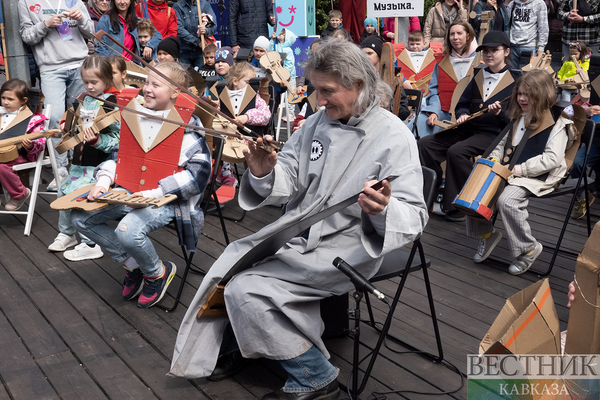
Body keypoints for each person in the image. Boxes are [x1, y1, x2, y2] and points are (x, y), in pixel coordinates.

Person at [169, 38, 428, 400]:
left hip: (351, 245)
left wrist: (383, 209)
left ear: (358, 85)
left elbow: (415, 215)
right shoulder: (317, 123)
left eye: (328, 91)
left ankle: (315, 375)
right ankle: (244, 344)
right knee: (232, 264)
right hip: (299, 232)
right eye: (316, 90)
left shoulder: (394, 136)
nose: (319, 100)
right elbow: (289, 173)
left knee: (246, 288)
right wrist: (263, 172)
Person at [71, 62, 212, 308]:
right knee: (80, 218)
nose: (146, 89)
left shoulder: (188, 127)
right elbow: (118, 156)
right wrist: (103, 182)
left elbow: (198, 174)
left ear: (176, 92)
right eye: (146, 82)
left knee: (127, 230)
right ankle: (136, 265)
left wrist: (157, 192)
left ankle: (157, 272)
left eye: (155, 85)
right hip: (130, 191)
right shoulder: (136, 115)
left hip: (168, 200)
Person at [467, 70, 578, 275]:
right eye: (519, 93)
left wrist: (520, 169)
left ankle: (528, 248)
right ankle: (486, 235)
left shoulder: (557, 123)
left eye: (528, 94)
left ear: (542, 94)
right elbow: (503, 142)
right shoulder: (519, 117)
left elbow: (551, 159)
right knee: (477, 187)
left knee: (507, 201)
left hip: (536, 175)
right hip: (510, 170)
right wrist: (494, 160)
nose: (521, 98)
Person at [418, 31, 519, 222]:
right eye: (485, 51)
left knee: (457, 152)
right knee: (425, 144)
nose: (489, 55)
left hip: (494, 134)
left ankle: (459, 204)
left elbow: (515, 121)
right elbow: (462, 103)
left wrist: (499, 115)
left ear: (506, 51)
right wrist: (463, 113)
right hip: (468, 128)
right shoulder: (479, 74)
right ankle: (431, 193)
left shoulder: (516, 81)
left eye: (494, 50)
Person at [48, 55, 121, 262]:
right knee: (64, 193)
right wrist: (66, 126)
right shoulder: (82, 99)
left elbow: (118, 138)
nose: (89, 86)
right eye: (86, 81)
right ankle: (67, 233)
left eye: (94, 82)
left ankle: (91, 243)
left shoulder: (111, 105)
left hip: (98, 164)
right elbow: (72, 120)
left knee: (83, 199)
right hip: (78, 161)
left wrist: (98, 140)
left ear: (107, 80)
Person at [18, 0, 94, 189]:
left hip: (79, 65)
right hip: (51, 68)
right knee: (54, 119)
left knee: (79, 117)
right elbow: (26, 36)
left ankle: (78, 166)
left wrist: (82, 18)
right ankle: (60, 168)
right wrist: (45, 24)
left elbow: (91, 31)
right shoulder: (25, 2)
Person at [212, 62, 272, 187]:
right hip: (227, 137)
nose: (252, 87)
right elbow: (217, 111)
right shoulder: (224, 96)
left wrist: (247, 117)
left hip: (248, 138)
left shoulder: (256, 98)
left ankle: (254, 175)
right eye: (249, 82)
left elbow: (266, 115)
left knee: (252, 149)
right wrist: (216, 111)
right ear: (235, 81)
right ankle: (225, 173)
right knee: (216, 144)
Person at [416, 21, 478, 137]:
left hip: (470, 114)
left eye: (459, 33)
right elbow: (433, 90)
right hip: (443, 112)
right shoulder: (442, 60)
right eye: (452, 34)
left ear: (468, 35)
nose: (455, 37)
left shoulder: (480, 60)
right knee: (419, 124)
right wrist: (434, 111)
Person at [0, 79, 48, 210]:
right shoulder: (1, 114)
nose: (5, 102)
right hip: (2, 152)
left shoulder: (33, 119)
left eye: (10, 99)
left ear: (23, 100)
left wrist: (31, 146)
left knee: (2, 167)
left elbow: (41, 143)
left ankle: (20, 194)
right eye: (3, 98)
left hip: (20, 155)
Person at [95, 0, 162, 62]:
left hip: (133, 66)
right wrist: (107, 66)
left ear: (130, 1)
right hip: (114, 66)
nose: (122, 2)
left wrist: (149, 46)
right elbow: (100, 48)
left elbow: (157, 35)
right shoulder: (105, 20)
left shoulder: (136, 21)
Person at [359, 35, 409, 118]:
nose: (366, 57)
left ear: (379, 55)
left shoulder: (391, 79)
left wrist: (388, 105)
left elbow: (404, 111)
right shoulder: (357, 76)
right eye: (363, 54)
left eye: (370, 53)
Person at [173, 0, 217, 68]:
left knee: (201, 76)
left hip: (201, 51)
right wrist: (196, 41)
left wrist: (205, 30)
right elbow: (178, 29)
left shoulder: (204, 4)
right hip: (184, 51)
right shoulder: (177, 6)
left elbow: (213, 26)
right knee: (185, 77)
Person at [505, 0, 549, 67]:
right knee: (512, 73)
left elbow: (543, 27)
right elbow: (507, 26)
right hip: (512, 46)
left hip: (529, 46)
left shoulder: (539, 3)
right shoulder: (512, 4)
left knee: (527, 74)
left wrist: (541, 48)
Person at [270, 28, 297, 120]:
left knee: (291, 93)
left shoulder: (288, 50)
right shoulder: (276, 46)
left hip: (289, 76)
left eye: (284, 34)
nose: (281, 34)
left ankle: (290, 113)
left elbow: (290, 64)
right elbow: (271, 52)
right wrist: (272, 40)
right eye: (281, 33)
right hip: (277, 75)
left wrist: (285, 73)